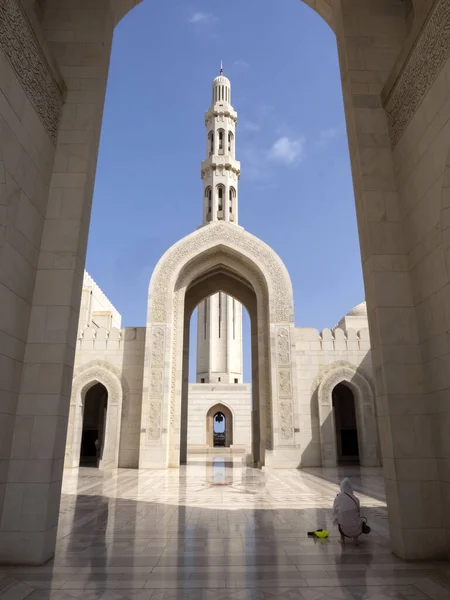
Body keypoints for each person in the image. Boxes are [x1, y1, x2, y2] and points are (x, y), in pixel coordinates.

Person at [333, 478, 363, 544]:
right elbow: (358, 512)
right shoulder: (356, 499)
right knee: (356, 517)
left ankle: (342, 539)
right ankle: (355, 540)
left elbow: (334, 511)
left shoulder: (339, 497)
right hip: (356, 528)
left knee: (339, 517)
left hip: (343, 528)